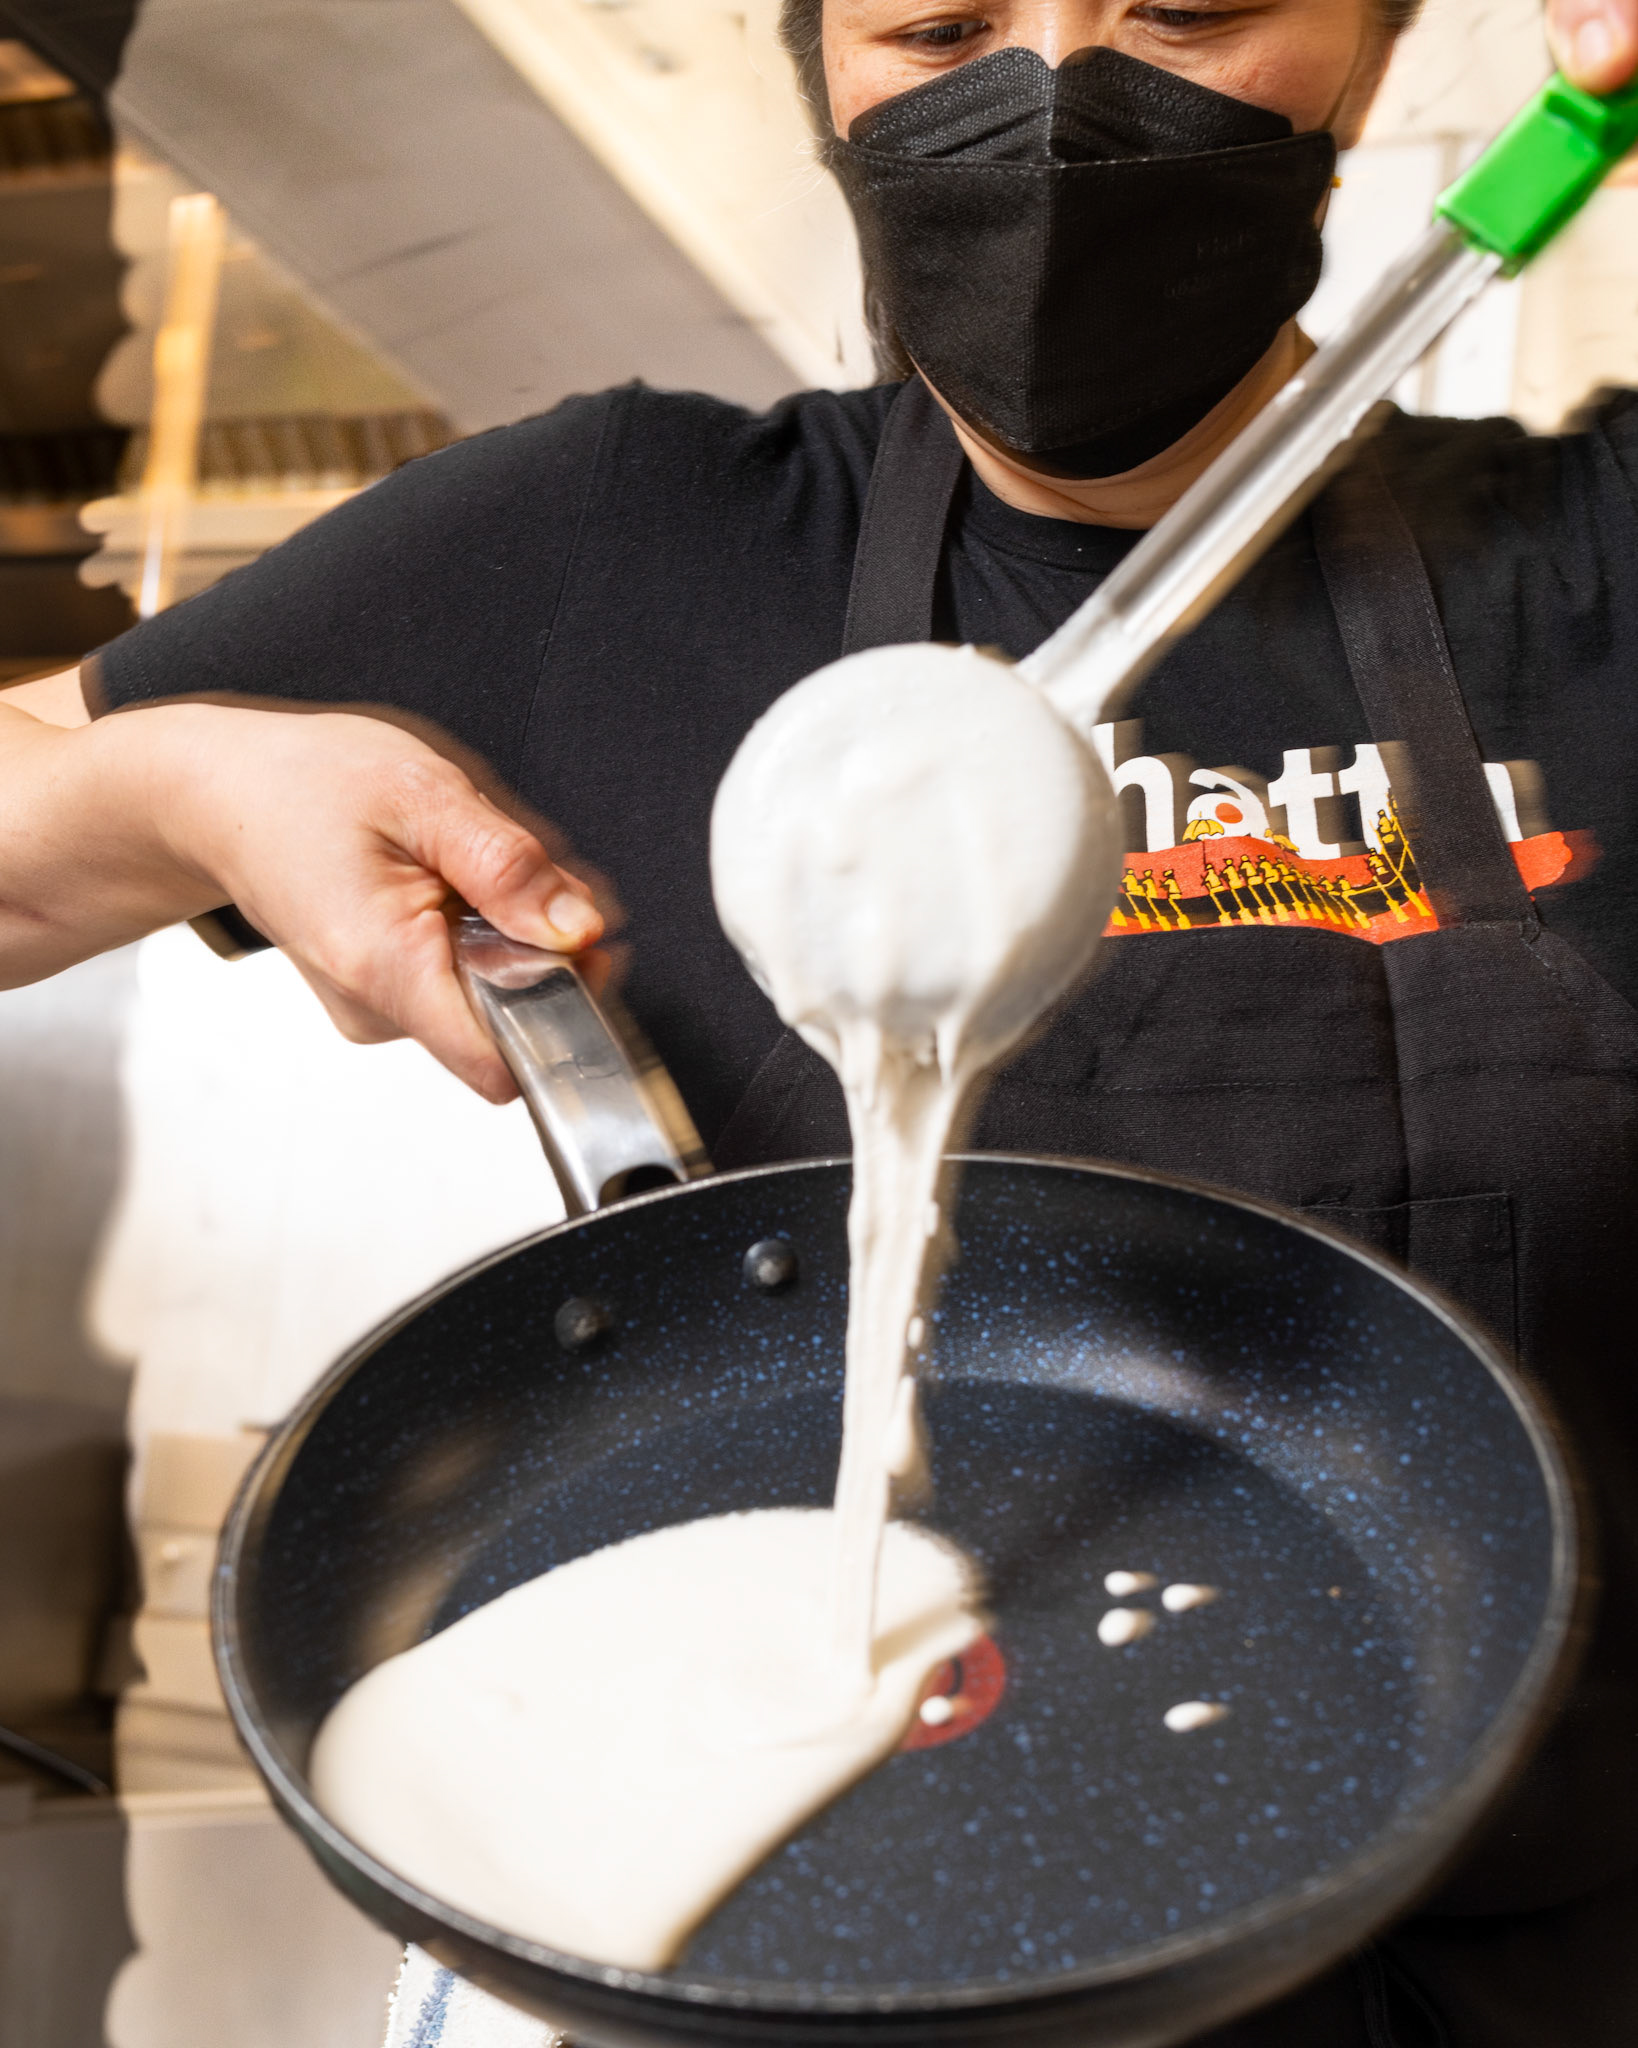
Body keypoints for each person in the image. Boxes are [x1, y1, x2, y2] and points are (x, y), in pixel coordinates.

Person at [6, 0, 1638, 2036]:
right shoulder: (609, 537)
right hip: (787, 1929)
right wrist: (154, 781)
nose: (1052, 110)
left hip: (1538, 1950)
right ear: (823, 76)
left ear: (1374, 56)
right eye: (937, 23)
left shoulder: (1601, 560)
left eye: (1193, 11)